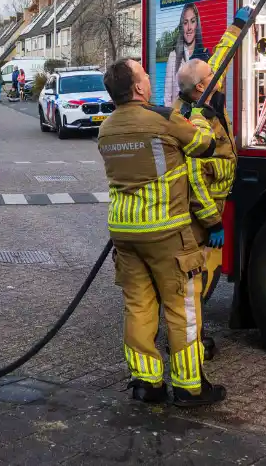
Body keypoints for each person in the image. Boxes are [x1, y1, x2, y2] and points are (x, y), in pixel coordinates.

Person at [98, 57, 226, 407]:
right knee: (182, 307)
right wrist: (197, 116)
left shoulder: (106, 127)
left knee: (138, 306)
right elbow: (205, 145)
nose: (149, 78)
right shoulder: (162, 118)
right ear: (138, 87)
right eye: (144, 73)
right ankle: (189, 387)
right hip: (166, 232)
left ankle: (147, 383)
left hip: (124, 231)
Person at [174, 56, 237, 361]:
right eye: (212, 76)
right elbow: (195, 178)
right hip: (200, 216)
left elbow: (221, 59)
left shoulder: (202, 96)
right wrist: (213, 223)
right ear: (202, 86)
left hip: (209, 207)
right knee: (196, 282)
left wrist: (240, 25)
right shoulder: (192, 120)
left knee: (201, 280)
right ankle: (194, 342)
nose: (218, 77)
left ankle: (193, 336)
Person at [164, 3, 203, 106]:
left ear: (197, 24)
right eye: (185, 22)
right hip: (177, 118)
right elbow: (167, 97)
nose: (189, 27)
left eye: (193, 21)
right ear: (182, 26)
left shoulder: (204, 55)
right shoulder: (173, 57)